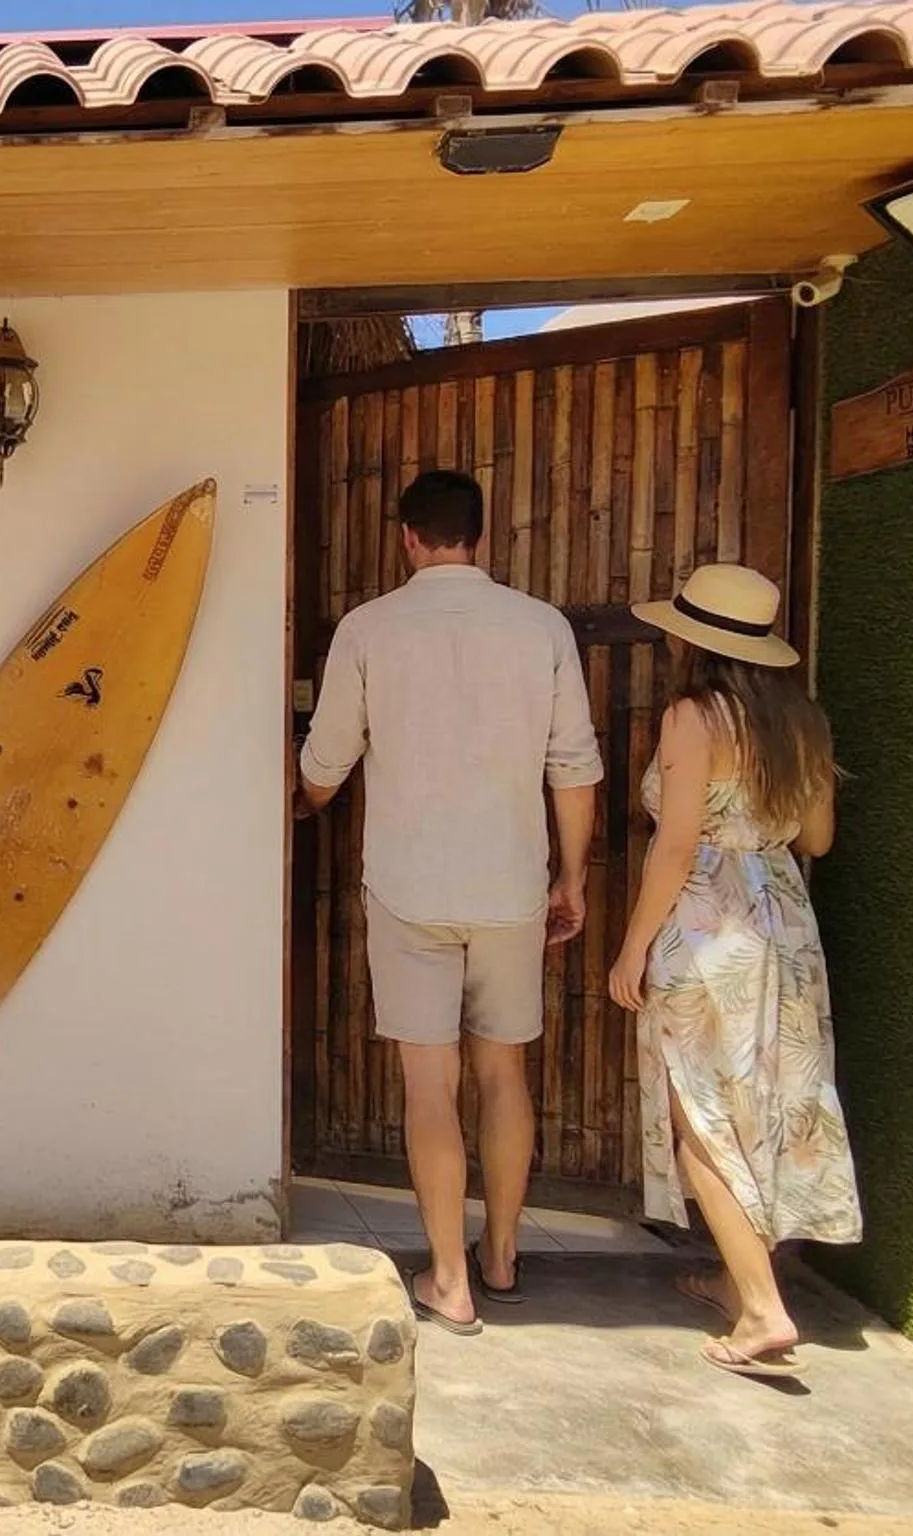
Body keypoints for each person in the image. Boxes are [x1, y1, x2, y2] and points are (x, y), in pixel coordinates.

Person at [297, 469, 602, 1335]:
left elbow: (325, 764)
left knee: (429, 1086)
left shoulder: (368, 629)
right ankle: (501, 1256)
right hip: (511, 886)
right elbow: (574, 769)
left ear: (407, 537)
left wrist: (304, 803)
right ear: (480, 535)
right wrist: (571, 878)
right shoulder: (541, 628)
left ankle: (448, 1280)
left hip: (408, 887)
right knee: (504, 1076)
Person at [610, 563, 861, 1380]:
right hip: (785, 927)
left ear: (693, 641)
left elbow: (677, 845)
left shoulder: (693, 716)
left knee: (702, 1116)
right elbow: (817, 840)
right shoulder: (803, 722)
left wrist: (633, 947)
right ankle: (740, 1278)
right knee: (770, 1106)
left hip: (706, 929)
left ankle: (760, 1309)